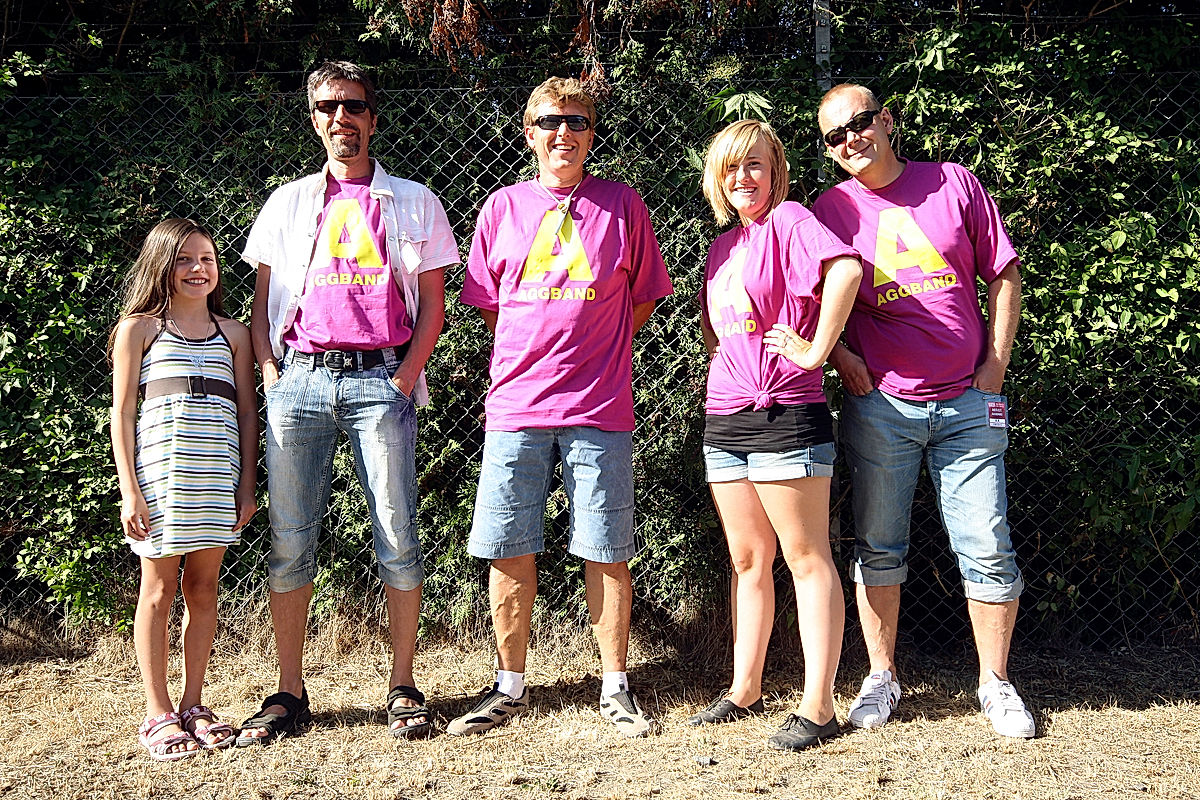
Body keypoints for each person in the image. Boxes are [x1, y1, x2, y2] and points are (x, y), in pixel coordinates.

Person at [239, 61, 459, 743]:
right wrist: (274, 375)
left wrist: (401, 380)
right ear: (314, 119)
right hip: (300, 381)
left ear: (372, 115)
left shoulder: (415, 201)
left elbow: (432, 309)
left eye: (354, 106)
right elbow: (260, 309)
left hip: (379, 384)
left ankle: (402, 685)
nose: (343, 118)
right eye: (329, 107)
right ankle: (288, 692)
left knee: (397, 536)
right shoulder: (287, 202)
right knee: (290, 543)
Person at [808, 83, 1035, 738]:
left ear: (887, 121)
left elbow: (1004, 273)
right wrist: (844, 358)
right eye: (834, 135)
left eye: (859, 122)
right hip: (882, 409)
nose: (851, 138)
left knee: (987, 544)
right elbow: (809, 299)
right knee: (879, 545)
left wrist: (994, 368)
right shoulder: (828, 209)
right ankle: (882, 678)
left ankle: (995, 684)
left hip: (969, 403)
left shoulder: (954, 184)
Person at [451, 76, 674, 739]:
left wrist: (594, 347)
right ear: (529, 133)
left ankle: (616, 688)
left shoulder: (622, 205)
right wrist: (540, 351)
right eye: (550, 122)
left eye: (577, 123)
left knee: (606, 546)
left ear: (591, 134)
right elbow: (494, 307)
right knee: (508, 545)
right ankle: (509, 687)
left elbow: (645, 297)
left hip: (600, 405)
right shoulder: (501, 209)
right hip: (516, 405)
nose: (563, 134)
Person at [687, 120, 861, 751]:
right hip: (726, 416)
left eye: (754, 165)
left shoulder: (790, 219)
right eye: (732, 168)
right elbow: (720, 326)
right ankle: (745, 689)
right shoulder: (723, 246)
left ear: (776, 170)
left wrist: (816, 350)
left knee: (806, 557)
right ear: (717, 177)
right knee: (746, 560)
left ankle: (819, 705)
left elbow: (845, 270)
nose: (744, 179)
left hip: (785, 410)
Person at [110, 218, 258, 761]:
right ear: (162, 265)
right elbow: (122, 410)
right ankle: (157, 713)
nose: (199, 269)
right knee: (158, 590)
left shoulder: (234, 333)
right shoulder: (140, 329)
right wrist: (130, 490)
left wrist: (246, 484)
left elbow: (246, 410)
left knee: (203, 589)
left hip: (216, 475)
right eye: (185, 259)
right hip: (161, 478)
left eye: (208, 259)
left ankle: (194, 705)